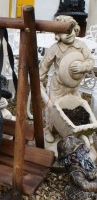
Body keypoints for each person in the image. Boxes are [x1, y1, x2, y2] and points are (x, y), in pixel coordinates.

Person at [39, 15, 94, 143]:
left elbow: (90, 61)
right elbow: (44, 65)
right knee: (52, 109)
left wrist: (82, 66)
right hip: (58, 86)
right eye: (64, 32)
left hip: (74, 86)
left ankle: (80, 130)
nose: (68, 34)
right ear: (57, 34)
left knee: (77, 108)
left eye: (71, 29)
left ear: (76, 29)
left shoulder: (81, 45)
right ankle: (48, 129)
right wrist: (39, 80)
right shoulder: (55, 48)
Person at [57, 135, 97, 200]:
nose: (84, 151)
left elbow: (92, 171)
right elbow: (85, 185)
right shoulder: (75, 171)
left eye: (82, 148)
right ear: (72, 157)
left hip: (90, 189)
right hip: (80, 199)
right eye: (80, 150)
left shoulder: (83, 162)